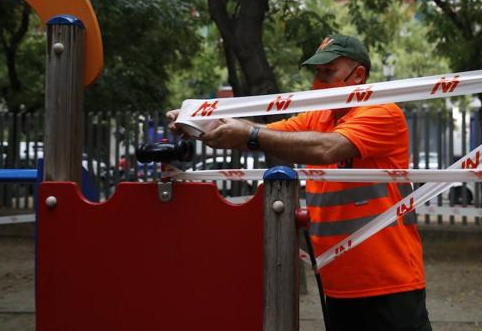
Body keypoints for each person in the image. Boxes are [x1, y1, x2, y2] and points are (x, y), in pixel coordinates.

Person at [168, 35, 431, 331]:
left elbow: (325, 148)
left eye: (328, 72)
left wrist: (251, 136)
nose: (318, 81)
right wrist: (199, 124)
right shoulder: (318, 117)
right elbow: (267, 133)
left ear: (358, 75)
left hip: (390, 283)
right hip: (338, 284)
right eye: (317, 73)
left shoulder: (381, 112)